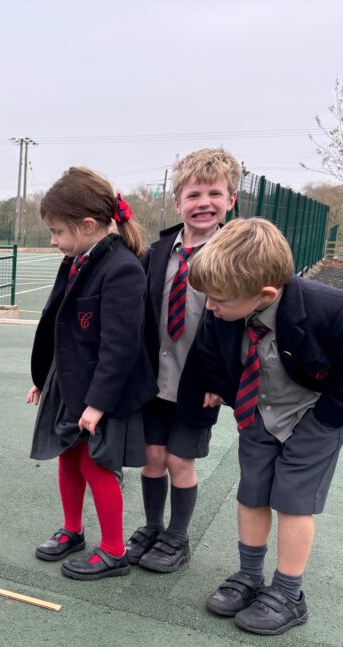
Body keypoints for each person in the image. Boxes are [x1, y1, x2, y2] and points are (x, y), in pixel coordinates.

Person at [190, 218, 343, 635]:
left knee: (294, 500)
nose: (210, 307)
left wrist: (325, 422)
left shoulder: (335, 308)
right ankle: (250, 577)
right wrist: (224, 392)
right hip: (257, 411)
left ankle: (289, 593)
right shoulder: (223, 307)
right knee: (252, 492)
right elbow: (210, 354)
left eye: (218, 300)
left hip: (314, 413)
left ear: (266, 294)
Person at [28, 167, 157, 580]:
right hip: (68, 382)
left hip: (102, 394)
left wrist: (97, 405)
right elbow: (57, 322)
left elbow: (120, 347)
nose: (53, 241)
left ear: (86, 226)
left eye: (57, 231)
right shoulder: (76, 258)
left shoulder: (122, 269)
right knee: (67, 456)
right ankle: (72, 530)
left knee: (96, 466)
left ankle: (114, 551)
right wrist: (41, 377)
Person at [126, 148, 242, 573]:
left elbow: (240, 327)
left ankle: (178, 536)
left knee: (180, 460)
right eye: (194, 195)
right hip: (155, 378)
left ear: (231, 200)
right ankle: (153, 527)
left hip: (199, 381)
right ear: (178, 203)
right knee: (152, 456)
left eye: (215, 193)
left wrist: (223, 381)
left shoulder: (235, 254)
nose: (204, 203)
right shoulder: (157, 253)